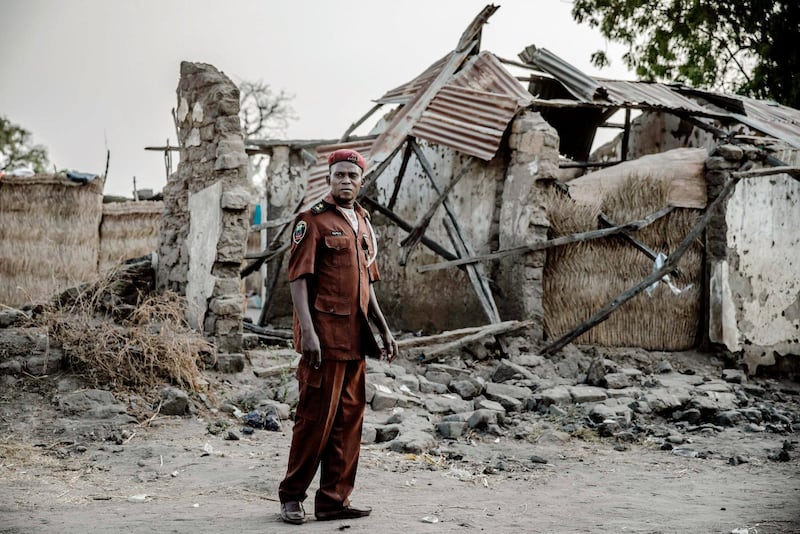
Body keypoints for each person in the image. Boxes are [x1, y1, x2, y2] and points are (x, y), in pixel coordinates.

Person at [278, 148, 398, 525]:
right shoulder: (311, 220)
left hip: (355, 341)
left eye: (352, 175)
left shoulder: (362, 222)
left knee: (348, 424)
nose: (346, 181)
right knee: (314, 422)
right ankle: (291, 498)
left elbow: (368, 283)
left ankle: (333, 500)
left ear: (361, 181)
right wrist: (309, 333)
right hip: (324, 342)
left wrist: (382, 326)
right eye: (339, 175)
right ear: (329, 179)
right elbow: (298, 279)